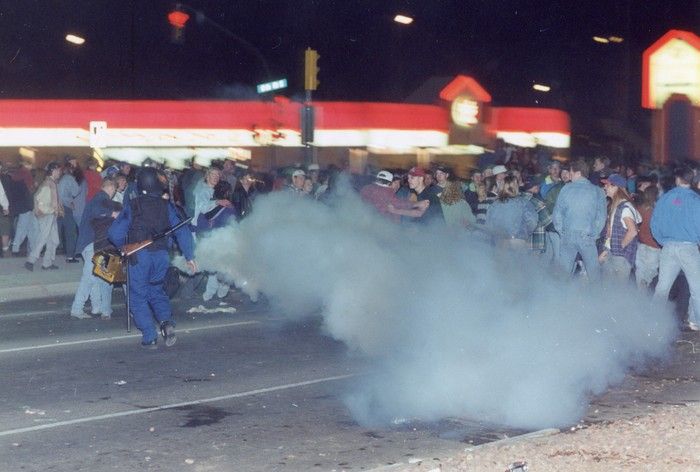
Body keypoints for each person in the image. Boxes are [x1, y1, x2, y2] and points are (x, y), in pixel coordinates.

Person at [108, 167, 197, 348]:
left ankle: (150, 336)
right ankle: (166, 322)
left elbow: (114, 233)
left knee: (137, 296)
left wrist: (123, 247)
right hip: (161, 255)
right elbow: (182, 231)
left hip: (140, 257)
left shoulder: (134, 205)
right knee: (156, 291)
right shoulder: (166, 205)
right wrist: (189, 255)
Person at [651, 166, 700, 332]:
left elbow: (654, 223)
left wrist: (662, 241)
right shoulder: (696, 200)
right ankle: (695, 321)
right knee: (697, 288)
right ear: (691, 180)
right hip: (689, 248)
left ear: (678, 179)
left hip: (669, 247)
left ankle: (653, 319)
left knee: (662, 287)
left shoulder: (665, 198)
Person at [70, 178, 121, 319]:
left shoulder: (96, 198)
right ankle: (77, 308)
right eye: (114, 190)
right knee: (89, 277)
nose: (113, 193)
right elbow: (98, 211)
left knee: (95, 276)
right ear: (111, 188)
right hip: (93, 243)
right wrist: (112, 214)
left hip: (87, 243)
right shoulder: (101, 198)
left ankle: (96, 307)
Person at [552, 159, 607, 281]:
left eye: (571, 173)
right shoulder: (597, 191)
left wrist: (562, 231)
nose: (569, 175)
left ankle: (559, 293)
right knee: (594, 274)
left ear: (578, 173)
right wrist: (593, 234)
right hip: (586, 236)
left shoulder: (566, 189)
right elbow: (601, 217)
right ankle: (596, 293)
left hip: (568, 235)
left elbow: (557, 214)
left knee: (563, 275)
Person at [598, 174, 641, 280]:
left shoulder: (625, 207)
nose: (605, 187)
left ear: (616, 187)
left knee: (617, 288)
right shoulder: (616, 205)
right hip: (613, 255)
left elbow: (633, 231)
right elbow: (611, 233)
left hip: (620, 258)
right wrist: (606, 251)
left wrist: (620, 246)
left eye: (607, 185)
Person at [25, 162, 63, 271]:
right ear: (53, 171)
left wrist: (57, 209)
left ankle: (46, 263)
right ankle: (31, 260)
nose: (60, 172)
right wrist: (49, 210)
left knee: (53, 240)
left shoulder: (51, 182)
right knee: (44, 238)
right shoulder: (48, 183)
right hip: (47, 215)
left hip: (50, 215)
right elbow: (38, 199)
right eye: (58, 170)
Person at [485, 175, 538, 249]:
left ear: (502, 187)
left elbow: (489, 225)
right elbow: (532, 222)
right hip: (518, 241)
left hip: (500, 243)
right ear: (516, 187)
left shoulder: (494, 205)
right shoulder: (523, 203)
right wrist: (524, 234)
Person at [360, 170, 425, 223]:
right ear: (389, 183)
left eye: (399, 183)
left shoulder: (366, 188)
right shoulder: (385, 191)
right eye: (395, 183)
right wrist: (417, 204)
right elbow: (398, 203)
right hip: (383, 226)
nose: (397, 186)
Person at [635, 185, 661, 290]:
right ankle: (644, 289)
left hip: (641, 245)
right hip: (654, 247)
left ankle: (640, 294)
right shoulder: (657, 212)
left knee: (640, 271)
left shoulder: (639, 209)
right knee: (650, 272)